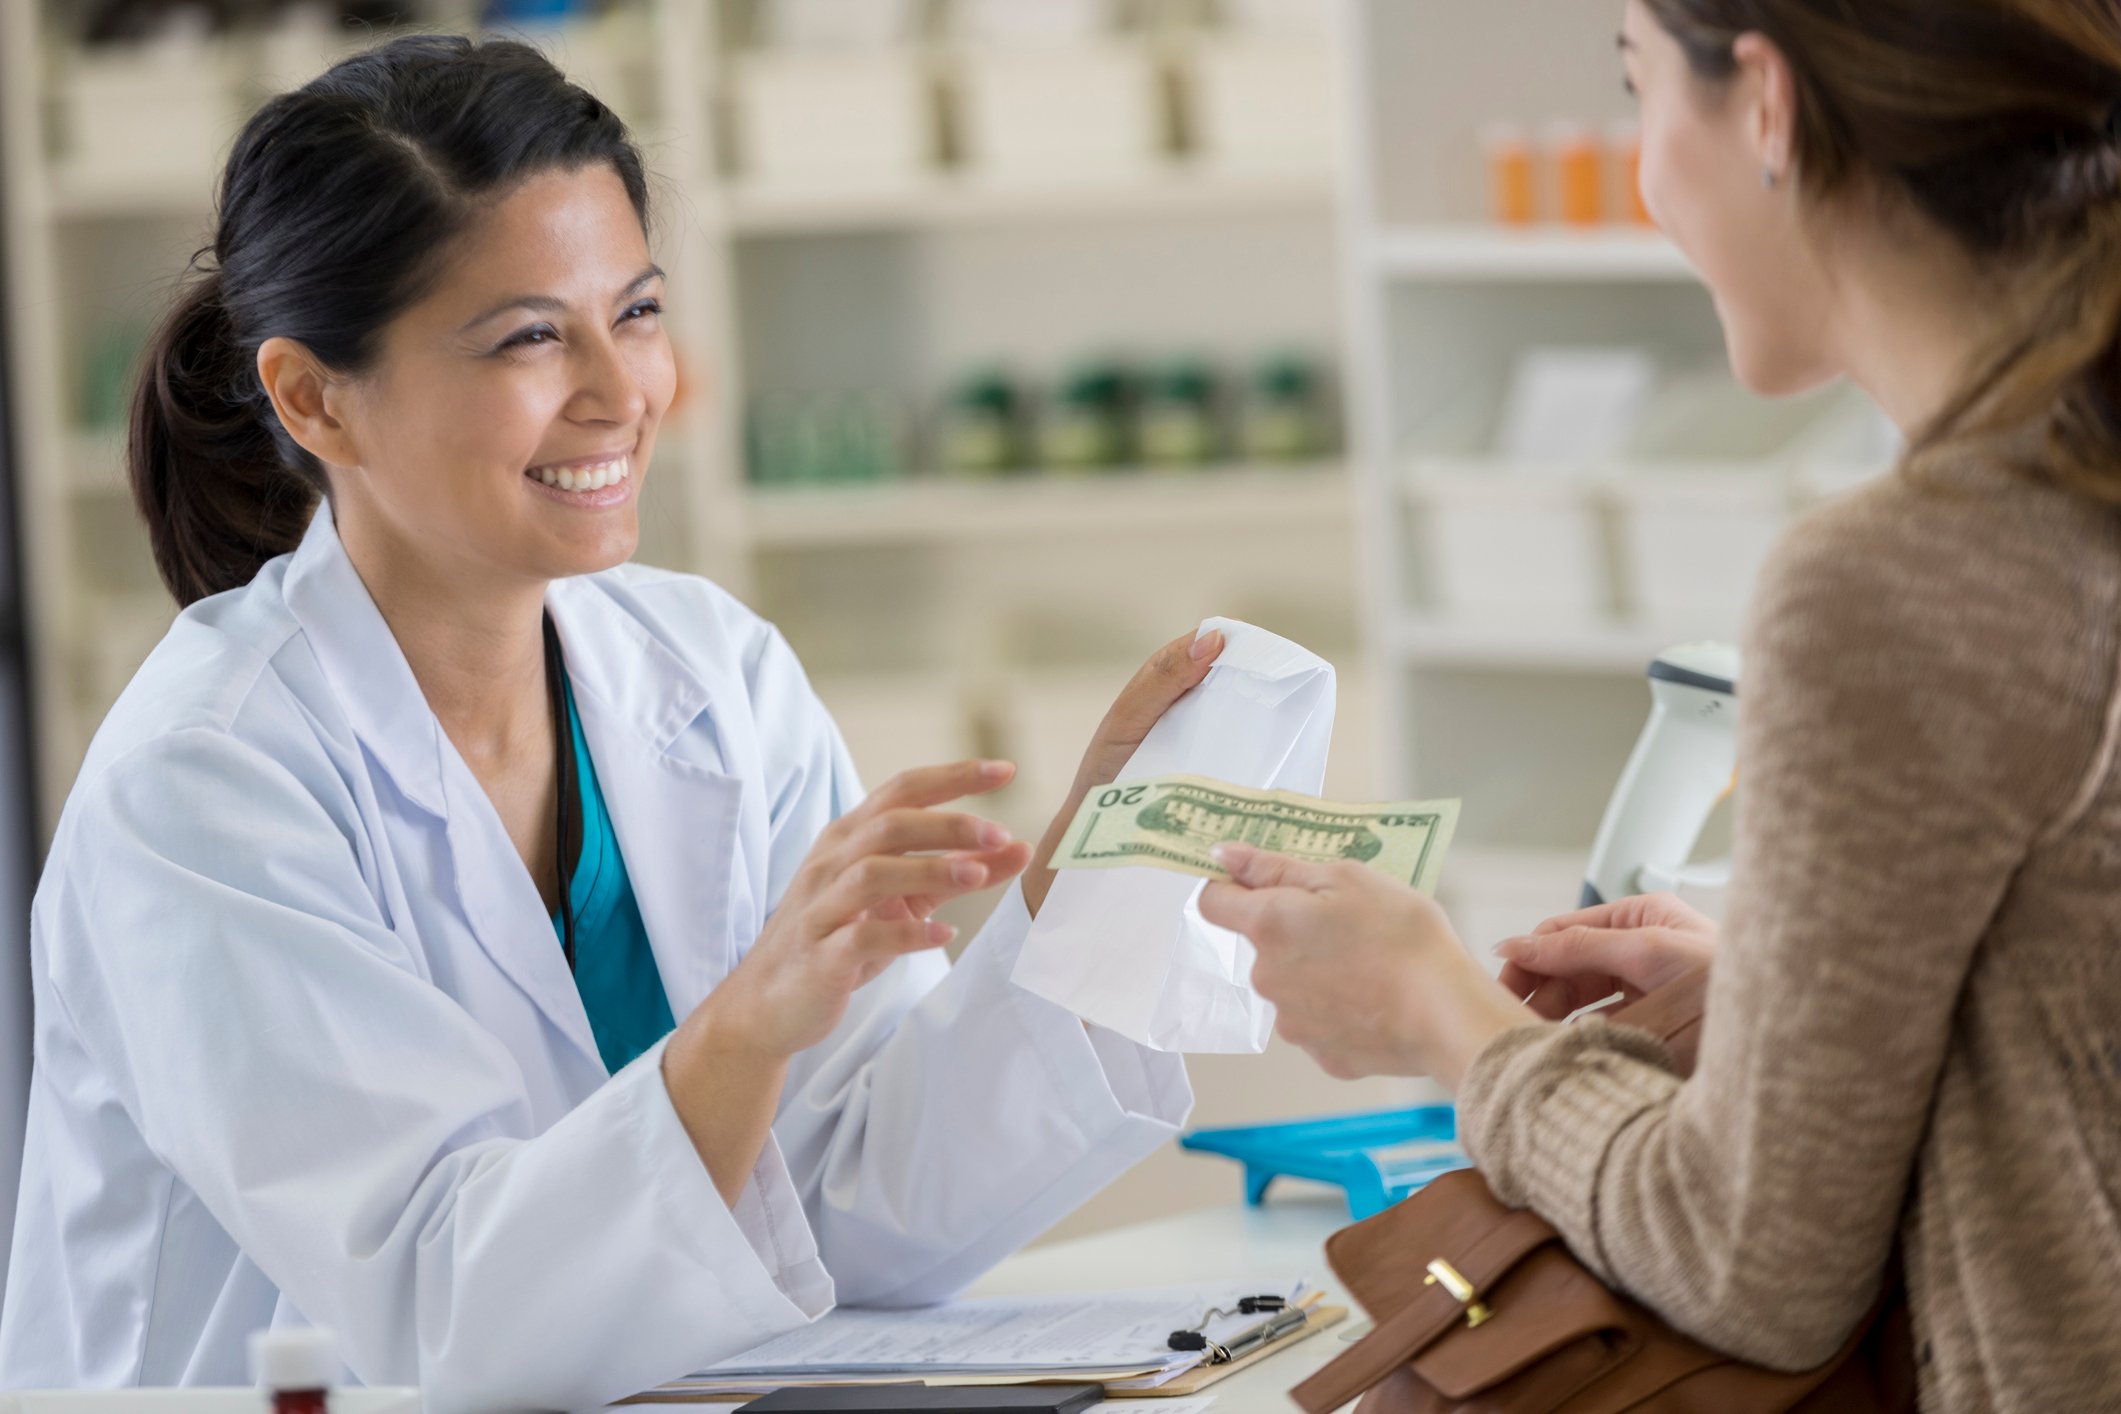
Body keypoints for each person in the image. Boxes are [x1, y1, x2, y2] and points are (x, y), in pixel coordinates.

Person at [0, 34, 1221, 1411]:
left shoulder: (708, 672)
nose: (622, 390)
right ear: (311, 394)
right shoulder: (205, 783)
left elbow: (858, 1214)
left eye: (634, 313)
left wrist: (1083, 898)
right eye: (530, 335)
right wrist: (746, 1025)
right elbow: (447, 1311)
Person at [1198, 3, 2121, 1411]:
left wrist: (1448, 1021)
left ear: (1763, 104)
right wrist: (1782, 995)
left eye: (1640, 92)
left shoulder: (1899, 577)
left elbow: (1746, 1253)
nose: (1644, 177)